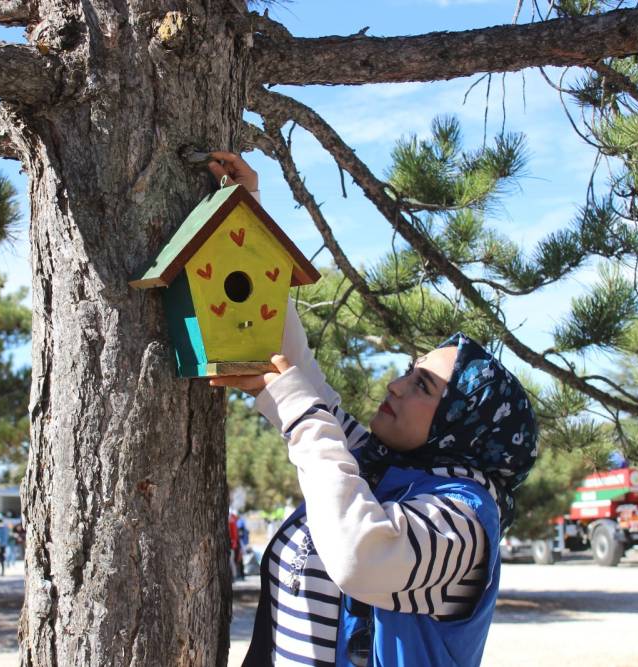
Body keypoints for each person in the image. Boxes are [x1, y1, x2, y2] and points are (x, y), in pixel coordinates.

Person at [208, 152, 538, 667]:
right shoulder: (378, 470)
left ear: (461, 425)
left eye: (423, 384)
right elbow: (296, 363)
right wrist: (246, 218)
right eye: (408, 370)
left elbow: (361, 557)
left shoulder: (467, 521)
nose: (396, 385)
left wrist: (303, 417)